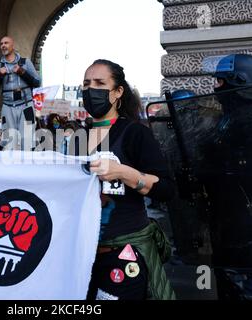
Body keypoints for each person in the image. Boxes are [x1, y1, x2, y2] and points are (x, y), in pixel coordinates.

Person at [82, 59, 175, 300]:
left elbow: (166, 189)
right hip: (82, 256)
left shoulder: (135, 133)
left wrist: (124, 172)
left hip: (123, 254)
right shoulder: (78, 137)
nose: (91, 89)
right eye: (86, 84)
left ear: (117, 92)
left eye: (100, 83)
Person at [202, 54, 252, 300]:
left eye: (221, 81)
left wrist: (221, 164)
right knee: (227, 271)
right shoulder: (232, 115)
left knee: (240, 273)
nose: (216, 87)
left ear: (239, 81)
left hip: (242, 207)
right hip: (229, 206)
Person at [0, 36, 41, 150]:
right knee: (9, 142)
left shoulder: (25, 62)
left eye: (6, 43)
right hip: (8, 107)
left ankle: (27, 166)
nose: (3, 45)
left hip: (26, 105)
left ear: (13, 46)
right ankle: (9, 166)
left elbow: (37, 82)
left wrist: (22, 72)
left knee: (27, 141)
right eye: (1, 43)